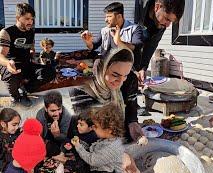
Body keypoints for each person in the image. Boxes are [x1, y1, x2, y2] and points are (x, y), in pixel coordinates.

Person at [80, 2, 144, 141]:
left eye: (109, 16)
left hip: (124, 76)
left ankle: (129, 125)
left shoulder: (134, 29)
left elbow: (136, 47)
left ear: (119, 16)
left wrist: (119, 41)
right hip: (105, 76)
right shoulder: (105, 30)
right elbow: (93, 46)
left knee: (128, 103)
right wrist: (88, 42)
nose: (106, 20)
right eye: (106, 17)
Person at [71, 47, 144, 141]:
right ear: (102, 68)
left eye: (125, 75)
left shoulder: (130, 80)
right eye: (115, 75)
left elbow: (131, 106)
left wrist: (132, 122)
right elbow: (82, 129)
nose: (120, 82)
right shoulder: (82, 90)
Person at [0, 3, 55, 107]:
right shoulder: (6, 32)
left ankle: (25, 90)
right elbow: (0, 55)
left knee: (50, 72)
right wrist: (8, 63)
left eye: (32, 19)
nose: (30, 22)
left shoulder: (31, 31)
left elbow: (31, 48)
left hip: (27, 64)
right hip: (12, 65)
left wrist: (33, 55)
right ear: (18, 18)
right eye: (27, 19)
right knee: (12, 76)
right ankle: (16, 97)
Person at [71, 104, 141, 173]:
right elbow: (93, 150)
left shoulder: (111, 148)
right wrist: (81, 144)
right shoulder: (107, 139)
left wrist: (78, 146)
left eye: (96, 126)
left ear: (109, 130)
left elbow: (92, 160)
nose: (93, 128)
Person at [134, 0, 185, 82]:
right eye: (167, 19)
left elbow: (151, 46)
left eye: (171, 22)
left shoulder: (161, 24)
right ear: (157, 7)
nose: (168, 26)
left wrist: (142, 68)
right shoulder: (137, 7)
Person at [36, 91, 72, 156]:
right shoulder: (40, 115)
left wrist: (57, 135)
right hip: (47, 137)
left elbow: (66, 137)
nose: (57, 114)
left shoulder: (67, 116)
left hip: (59, 139)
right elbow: (40, 135)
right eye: (53, 111)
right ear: (46, 109)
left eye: (59, 109)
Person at [0, 108, 21, 173]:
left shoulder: (17, 134)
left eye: (18, 124)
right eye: (14, 125)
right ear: (3, 124)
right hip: (7, 172)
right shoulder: (1, 139)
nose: (17, 127)